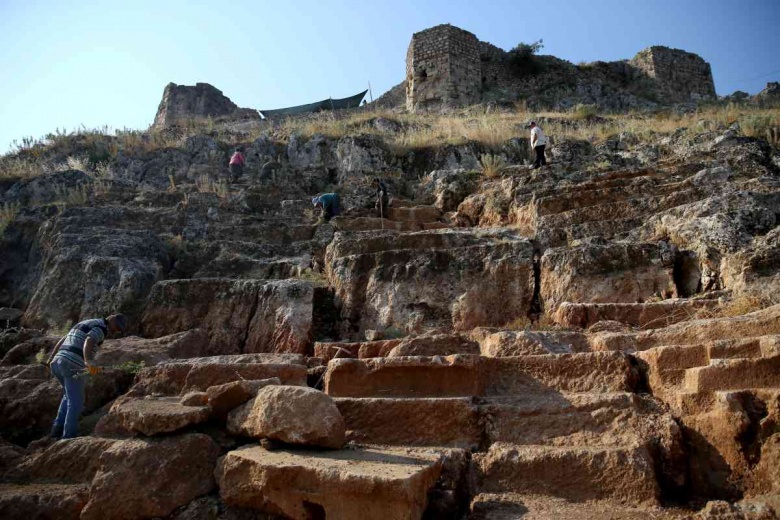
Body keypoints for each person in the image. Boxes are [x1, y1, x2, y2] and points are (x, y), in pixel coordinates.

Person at [45, 314, 127, 439]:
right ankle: (68, 437)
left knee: (68, 396)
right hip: (72, 364)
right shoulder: (101, 328)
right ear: (112, 319)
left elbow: (63, 339)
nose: (115, 331)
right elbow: (89, 340)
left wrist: (50, 358)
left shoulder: (87, 322)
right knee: (76, 402)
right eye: (116, 327)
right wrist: (88, 361)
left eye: (119, 330)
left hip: (57, 362)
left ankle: (56, 432)